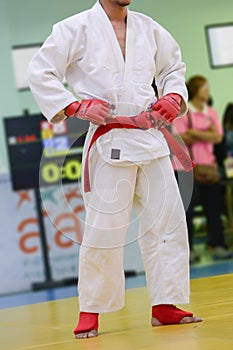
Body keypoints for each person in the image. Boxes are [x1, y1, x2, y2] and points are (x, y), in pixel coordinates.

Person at [28, 0, 202, 339]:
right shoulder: (74, 28)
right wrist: (75, 105)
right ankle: (90, 309)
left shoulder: (149, 28)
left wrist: (172, 96)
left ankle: (166, 304)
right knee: (103, 229)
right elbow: (41, 71)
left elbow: (173, 68)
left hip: (151, 137)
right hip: (108, 141)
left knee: (168, 222)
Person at [173, 75, 232, 263]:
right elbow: (179, 137)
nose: (207, 90)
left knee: (213, 207)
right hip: (183, 167)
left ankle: (218, 245)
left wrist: (194, 133)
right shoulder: (183, 112)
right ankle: (187, 251)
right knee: (186, 211)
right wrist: (206, 133)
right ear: (196, 90)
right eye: (204, 87)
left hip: (207, 165)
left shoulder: (211, 112)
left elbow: (218, 137)